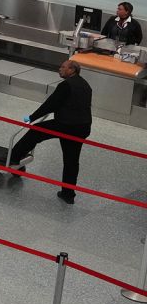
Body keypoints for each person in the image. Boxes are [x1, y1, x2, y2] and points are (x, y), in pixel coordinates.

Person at [7, 59, 92, 204]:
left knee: (35, 132)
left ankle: (14, 157)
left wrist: (32, 117)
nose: (60, 69)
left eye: (63, 67)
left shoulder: (65, 85)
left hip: (65, 125)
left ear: (72, 70)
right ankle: (68, 194)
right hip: (82, 127)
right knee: (72, 161)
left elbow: (50, 104)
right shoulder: (86, 85)